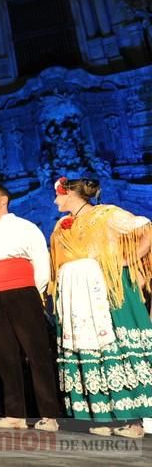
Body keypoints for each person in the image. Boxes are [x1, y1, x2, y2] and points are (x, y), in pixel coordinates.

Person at [50, 177, 152, 438]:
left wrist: (127, 259)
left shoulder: (107, 214)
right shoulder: (62, 226)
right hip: (78, 296)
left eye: (59, 195)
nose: (55, 201)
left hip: (107, 289)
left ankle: (134, 422)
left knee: (116, 344)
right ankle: (103, 416)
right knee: (91, 348)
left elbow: (146, 228)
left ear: (71, 194)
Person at [0, 184, 60, 431]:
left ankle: (49, 415)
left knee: (36, 353)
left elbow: (41, 260)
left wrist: (35, 291)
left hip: (23, 292)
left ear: (4, 199)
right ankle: (15, 414)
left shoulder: (25, 227)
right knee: (5, 355)